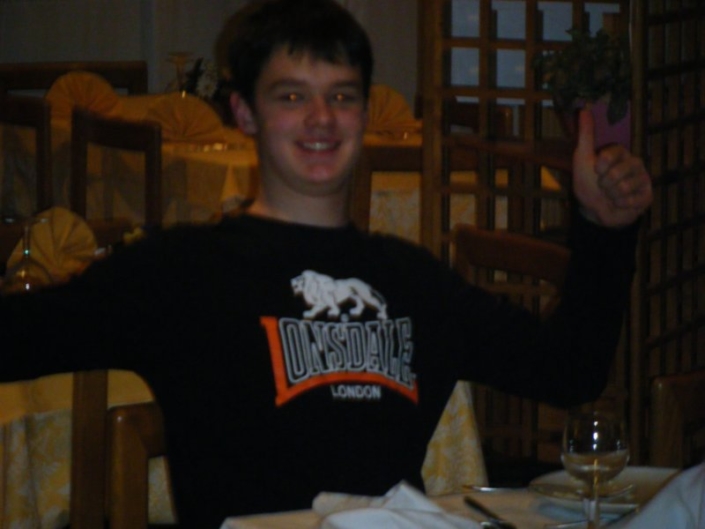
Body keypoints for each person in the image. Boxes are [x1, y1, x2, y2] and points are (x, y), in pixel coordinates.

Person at [0, 0, 652, 527]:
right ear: (244, 112)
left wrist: (604, 231)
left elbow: (569, 369)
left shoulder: (411, 280)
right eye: (291, 96)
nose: (321, 119)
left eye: (342, 96)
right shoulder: (179, 272)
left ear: (365, 113)